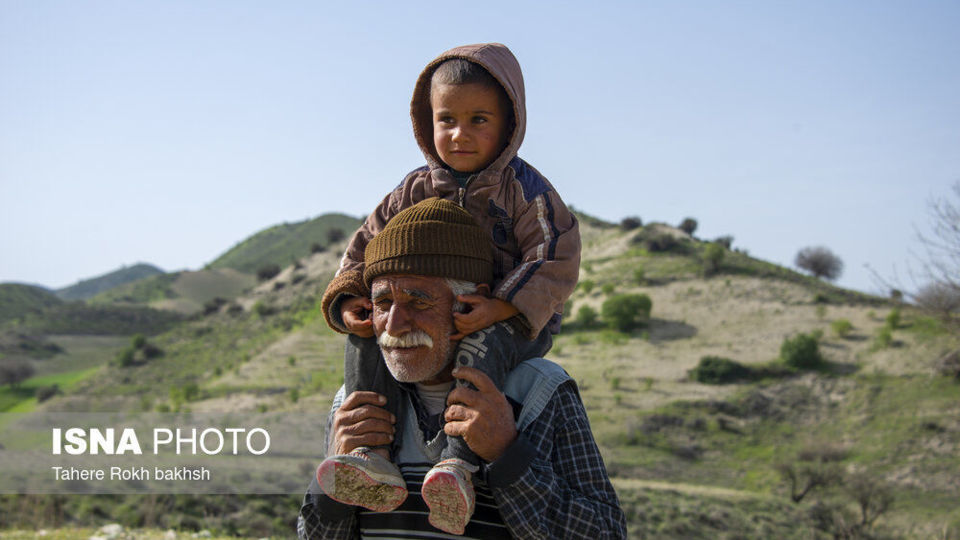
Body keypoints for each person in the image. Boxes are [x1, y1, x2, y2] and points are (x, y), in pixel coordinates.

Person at [315, 43, 580, 533]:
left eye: (479, 119)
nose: (459, 135)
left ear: (510, 124)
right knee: (365, 337)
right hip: (456, 316)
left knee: (483, 348)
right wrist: (351, 296)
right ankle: (368, 458)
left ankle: (457, 466)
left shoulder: (526, 191)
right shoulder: (411, 189)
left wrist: (501, 305)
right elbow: (363, 247)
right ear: (425, 122)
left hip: (513, 322)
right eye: (446, 120)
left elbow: (554, 256)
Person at [298, 198, 626, 538]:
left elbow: (607, 533)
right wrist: (332, 484)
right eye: (382, 303)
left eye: (418, 301)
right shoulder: (353, 402)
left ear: (471, 301)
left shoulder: (537, 391)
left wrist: (507, 455)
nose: (393, 325)